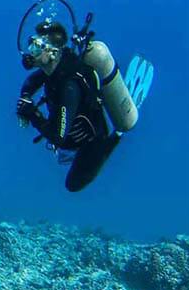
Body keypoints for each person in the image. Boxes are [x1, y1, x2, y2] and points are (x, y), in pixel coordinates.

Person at [16, 20, 119, 192]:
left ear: (52, 52)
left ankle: (116, 137)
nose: (31, 52)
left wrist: (32, 113)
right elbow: (31, 81)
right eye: (31, 43)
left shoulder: (69, 86)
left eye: (37, 46)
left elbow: (58, 137)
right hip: (68, 134)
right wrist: (26, 96)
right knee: (64, 150)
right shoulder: (53, 68)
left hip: (90, 140)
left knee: (73, 185)